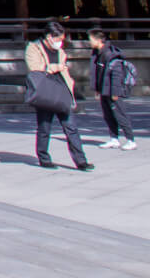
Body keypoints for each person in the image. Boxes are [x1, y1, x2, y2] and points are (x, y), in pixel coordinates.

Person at [25, 21, 91, 171]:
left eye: (61, 39)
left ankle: (81, 160)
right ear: (49, 37)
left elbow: (65, 72)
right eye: (58, 39)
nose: (60, 42)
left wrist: (71, 91)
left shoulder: (60, 52)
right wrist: (55, 67)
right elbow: (35, 69)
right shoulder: (33, 48)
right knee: (44, 126)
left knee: (71, 127)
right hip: (45, 91)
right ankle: (44, 157)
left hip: (61, 90)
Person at [89, 28, 138, 150]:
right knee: (108, 115)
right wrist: (97, 89)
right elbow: (98, 73)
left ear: (99, 40)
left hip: (113, 91)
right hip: (103, 90)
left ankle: (130, 140)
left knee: (120, 115)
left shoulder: (111, 54)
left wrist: (115, 92)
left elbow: (116, 74)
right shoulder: (97, 53)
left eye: (91, 39)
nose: (89, 42)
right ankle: (114, 138)